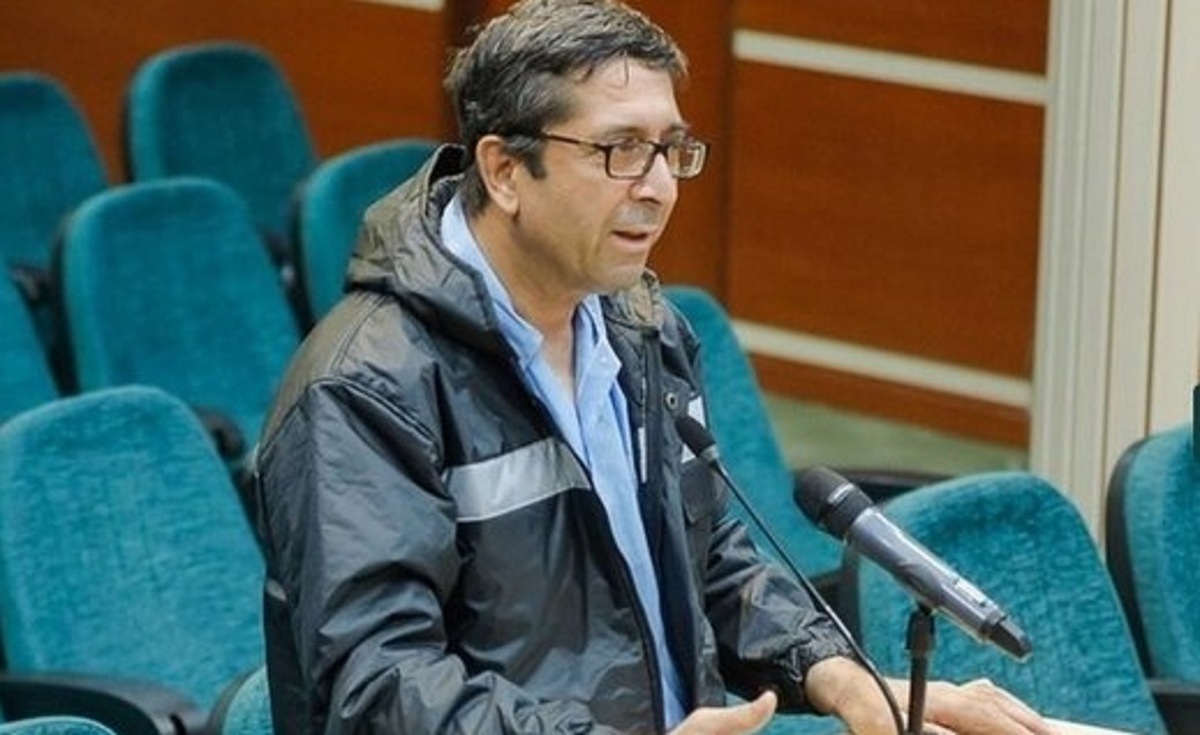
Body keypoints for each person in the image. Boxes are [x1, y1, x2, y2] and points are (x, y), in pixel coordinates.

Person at [253, 1, 1054, 732]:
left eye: (670, 149)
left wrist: (839, 674)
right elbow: (382, 686)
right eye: (621, 151)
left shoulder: (642, 326)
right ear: (504, 170)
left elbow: (708, 560)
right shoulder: (365, 387)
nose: (662, 187)